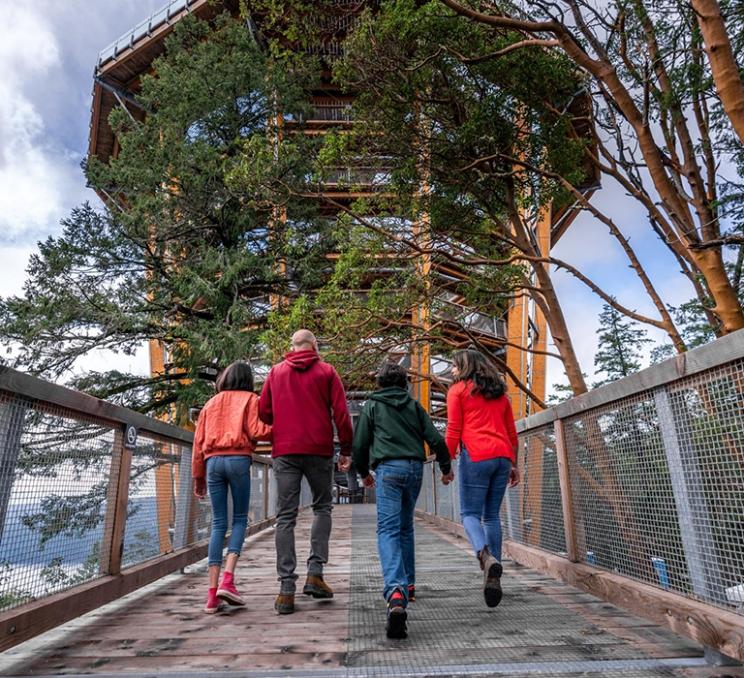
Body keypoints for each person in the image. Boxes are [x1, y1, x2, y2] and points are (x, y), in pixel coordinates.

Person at [353, 361, 453, 639]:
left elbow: (360, 445)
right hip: (414, 469)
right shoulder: (413, 406)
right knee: (406, 526)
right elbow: (436, 438)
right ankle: (408, 585)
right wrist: (445, 468)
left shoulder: (372, 406)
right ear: (404, 383)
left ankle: (395, 592)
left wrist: (363, 473)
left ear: (380, 383)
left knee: (387, 529)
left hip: (387, 470)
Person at [259, 329, 353, 614]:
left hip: (285, 451)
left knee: (285, 517)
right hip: (319, 450)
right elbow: (342, 414)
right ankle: (315, 573)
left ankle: (286, 589)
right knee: (322, 508)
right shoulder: (327, 371)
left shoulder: (275, 373)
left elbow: (263, 412)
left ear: (292, 346)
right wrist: (346, 449)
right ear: (315, 346)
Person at [192, 361, 272, 614]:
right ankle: (228, 579)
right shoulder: (251, 399)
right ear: (248, 380)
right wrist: (284, 427)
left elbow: (198, 442)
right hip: (238, 459)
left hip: (212, 462)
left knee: (218, 523)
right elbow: (258, 430)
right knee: (239, 519)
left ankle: (212, 596)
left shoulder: (210, 404)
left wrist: (198, 477)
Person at [445, 349, 520, 608]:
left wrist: (447, 464)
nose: (452, 371)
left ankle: (485, 557)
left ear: (464, 366)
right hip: (502, 457)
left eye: (454, 366)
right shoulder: (500, 394)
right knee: (491, 516)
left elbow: (453, 428)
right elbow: (511, 432)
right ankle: (494, 574)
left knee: (469, 514)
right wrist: (514, 464)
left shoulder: (458, 391)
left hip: (476, 455)